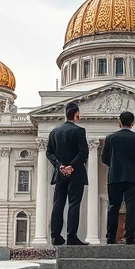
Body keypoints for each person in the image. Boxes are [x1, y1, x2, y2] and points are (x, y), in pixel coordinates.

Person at [47, 101, 89, 246]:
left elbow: (49, 153)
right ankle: (71, 236)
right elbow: (83, 152)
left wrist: (60, 166)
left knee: (58, 204)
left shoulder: (54, 132)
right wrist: (71, 166)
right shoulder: (79, 131)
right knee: (74, 204)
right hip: (75, 173)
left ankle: (55, 236)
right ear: (76, 114)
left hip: (59, 174)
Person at [101, 111, 135, 244]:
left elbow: (104, 158)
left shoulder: (111, 138)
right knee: (131, 207)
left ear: (119, 122)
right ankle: (130, 238)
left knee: (113, 207)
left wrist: (114, 165)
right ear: (132, 123)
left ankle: (110, 237)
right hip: (133, 179)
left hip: (114, 178)